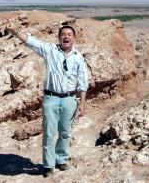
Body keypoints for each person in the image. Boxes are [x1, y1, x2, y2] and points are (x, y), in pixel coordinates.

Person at [6, 22, 88, 177]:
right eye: (63, 34)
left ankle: (61, 159)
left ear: (74, 38)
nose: (66, 37)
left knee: (65, 132)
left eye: (69, 35)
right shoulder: (50, 50)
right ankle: (48, 165)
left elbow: (83, 82)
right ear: (59, 37)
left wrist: (82, 104)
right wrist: (15, 31)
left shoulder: (78, 58)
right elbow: (31, 41)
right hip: (51, 98)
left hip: (70, 99)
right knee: (49, 133)